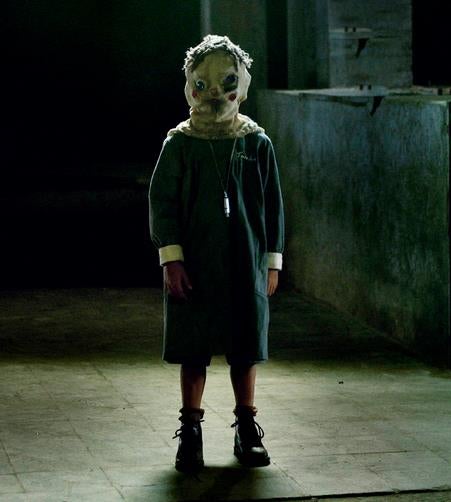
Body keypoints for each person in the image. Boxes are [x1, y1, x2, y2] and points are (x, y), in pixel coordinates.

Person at [148, 34, 284, 472]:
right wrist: (172, 258)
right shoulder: (180, 144)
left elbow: (273, 204)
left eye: (226, 83)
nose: (214, 95)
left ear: (240, 86)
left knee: (245, 343)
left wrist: (272, 261)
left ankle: (247, 428)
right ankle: (191, 431)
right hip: (194, 263)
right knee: (194, 344)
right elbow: (162, 202)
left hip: (245, 260)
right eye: (203, 84)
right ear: (191, 86)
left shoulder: (255, 143)